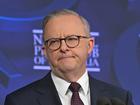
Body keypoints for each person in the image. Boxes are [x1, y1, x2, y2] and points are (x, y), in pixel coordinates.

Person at [4, 9, 134, 105]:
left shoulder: (120, 99)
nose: (64, 48)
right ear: (45, 51)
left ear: (89, 45)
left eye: (72, 39)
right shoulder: (19, 101)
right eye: (54, 41)